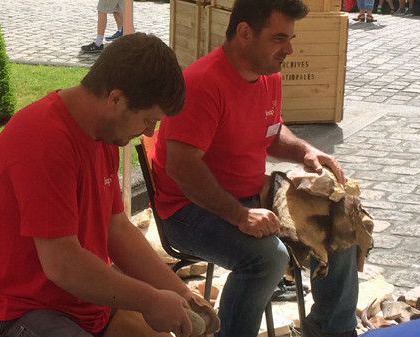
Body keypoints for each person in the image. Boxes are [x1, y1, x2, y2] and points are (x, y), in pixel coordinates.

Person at [0, 32, 218, 337]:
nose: (148, 132)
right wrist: (150, 300)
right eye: (148, 120)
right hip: (17, 313)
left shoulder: (103, 132)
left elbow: (117, 229)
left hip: (77, 303)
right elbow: (62, 264)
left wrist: (181, 294)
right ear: (116, 99)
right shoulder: (44, 138)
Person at [151, 0, 359, 336]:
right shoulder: (202, 83)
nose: (289, 49)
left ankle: (332, 329)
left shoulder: (268, 76)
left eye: (290, 38)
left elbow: (272, 132)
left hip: (248, 196)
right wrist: (239, 215)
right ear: (244, 33)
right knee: (267, 258)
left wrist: (306, 151)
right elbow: (181, 167)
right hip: (187, 211)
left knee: (341, 219)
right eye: (279, 38)